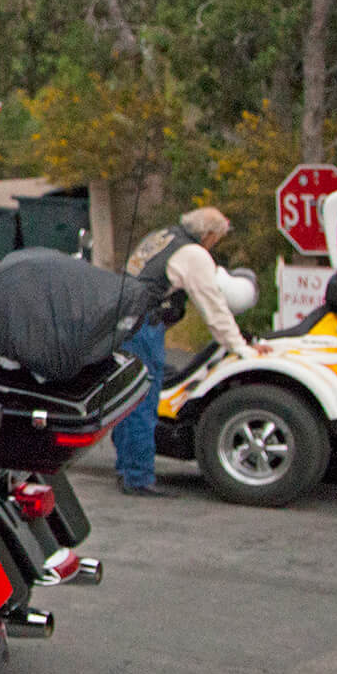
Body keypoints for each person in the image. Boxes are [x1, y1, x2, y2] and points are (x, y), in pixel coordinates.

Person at [111, 206, 270, 496]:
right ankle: (138, 478)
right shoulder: (193, 254)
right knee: (144, 399)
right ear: (209, 235)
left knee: (126, 397)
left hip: (122, 319)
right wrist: (240, 348)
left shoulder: (163, 236)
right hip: (145, 325)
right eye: (217, 238)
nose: (215, 244)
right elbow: (213, 307)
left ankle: (126, 469)